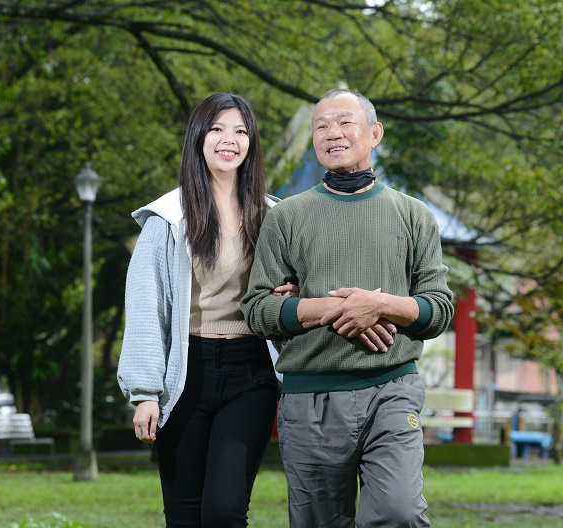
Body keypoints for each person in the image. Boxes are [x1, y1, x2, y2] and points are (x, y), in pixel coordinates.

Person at [241, 88, 455, 528]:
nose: (331, 133)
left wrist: (378, 304)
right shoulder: (287, 217)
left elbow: (439, 310)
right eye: (321, 126)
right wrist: (328, 311)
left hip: (391, 388)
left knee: (399, 513)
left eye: (344, 122)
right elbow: (257, 309)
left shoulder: (414, 215)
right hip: (310, 396)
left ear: (374, 133)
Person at [117, 92, 299, 528]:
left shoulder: (272, 217)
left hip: (250, 374)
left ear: (251, 142)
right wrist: (144, 393)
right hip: (185, 373)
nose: (228, 140)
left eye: (240, 131)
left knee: (224, 511)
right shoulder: (167, 219)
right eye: (217, 128)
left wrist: (291, 294)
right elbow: (145, 307)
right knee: (183, 514)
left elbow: (295, 289)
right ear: (199, 137)